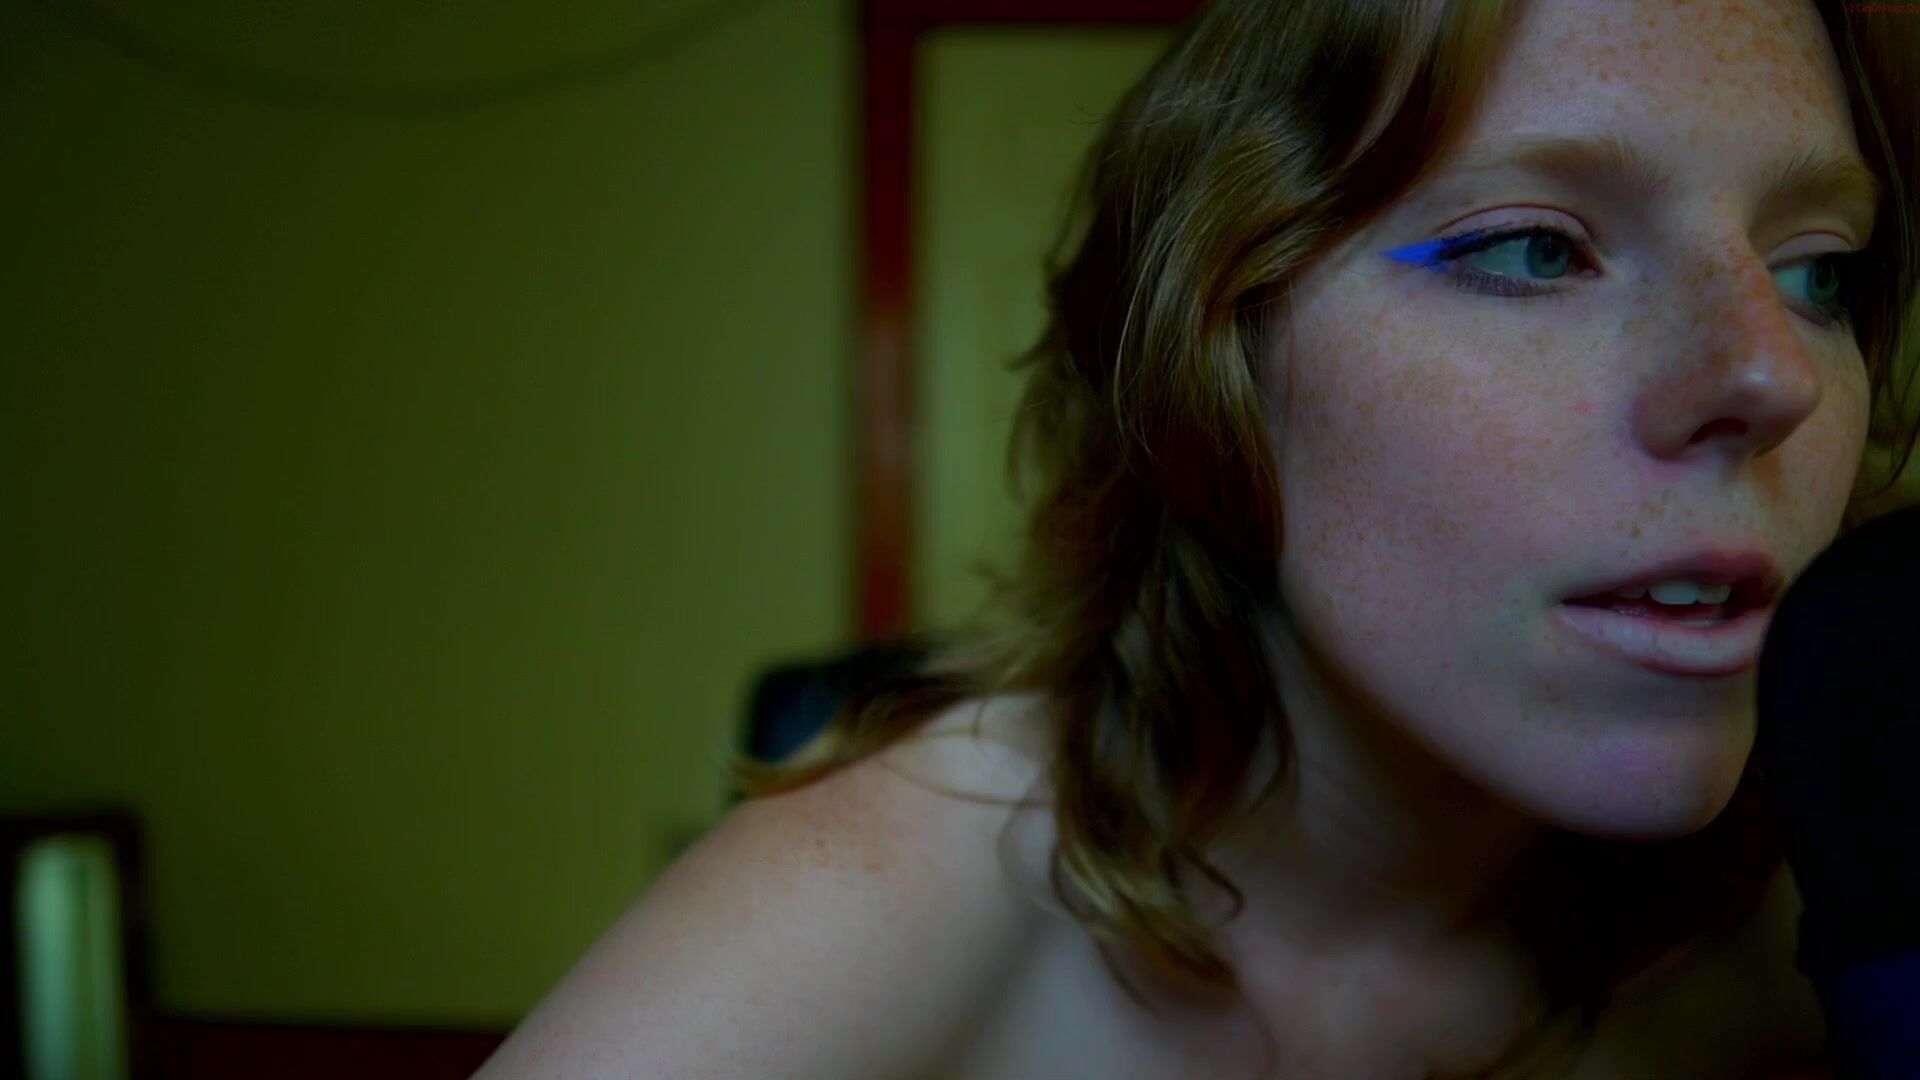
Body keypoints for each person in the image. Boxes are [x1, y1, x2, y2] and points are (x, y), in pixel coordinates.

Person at [475, 0, 1918, 1075]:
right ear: (1206, 366)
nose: (1770, 376)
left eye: (1820, 272)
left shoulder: (1842, 905)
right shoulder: (882, 899)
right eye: (1536, 248)